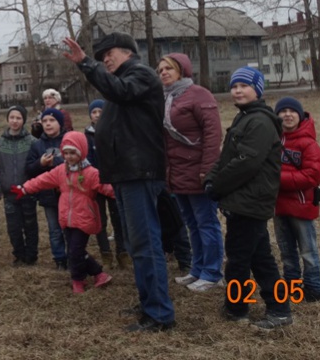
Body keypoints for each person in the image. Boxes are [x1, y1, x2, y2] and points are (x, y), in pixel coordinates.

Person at [63, 33, 176, 332]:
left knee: (146, 244)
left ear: (127, 51)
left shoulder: (139, 75)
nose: (104, 60)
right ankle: (149, 302)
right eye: (100, 57)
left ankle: (160, 314)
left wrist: (86, 64)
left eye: (108, 54)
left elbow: (117, 90)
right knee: (137, 244)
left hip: (139, 173)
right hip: (126, 174)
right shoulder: (122, 82)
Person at [204, 67, 293, 330]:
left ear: (258, 89)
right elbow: (226, 157)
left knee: (239, 260)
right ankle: (277, 308)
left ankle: (239, 309)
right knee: (259, 257)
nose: (238, 90)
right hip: (242, 201)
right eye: (234, 86)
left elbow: (246, 163)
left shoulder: (261, 122)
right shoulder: (245, 118)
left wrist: (217, 186)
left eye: (244, 85)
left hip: (250, 202)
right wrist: (210, 179)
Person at [11, 131, 114, 293]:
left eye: (73, 153)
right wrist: (25, 188)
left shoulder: (91, 173)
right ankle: (99, 273)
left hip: (84, 218)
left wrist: (121, 193)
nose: (68, 156)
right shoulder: (61, 170)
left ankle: (77, 280)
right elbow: (43, 180)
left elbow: (106, 186)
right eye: (65, 153)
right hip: (66, 217)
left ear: (81, 151)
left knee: (74, 251)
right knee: (75, 250)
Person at [157, 53, 224, 292]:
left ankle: (213, 272)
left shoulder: (199, 95)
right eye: (161, 69)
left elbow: (213, 134)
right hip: (177, 172)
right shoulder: (166, 98)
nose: (163, 72)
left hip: (197, 170)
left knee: (206, 222)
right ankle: (197, 268)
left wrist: (207, 169)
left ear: (182, 70)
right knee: (192, 223)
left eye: (169, 68)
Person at [273, 96, 320, 302]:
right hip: (278, 206)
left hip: (301, 205)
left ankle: (313, 288)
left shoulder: (308, 143)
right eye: (282, 111)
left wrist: (278, 179)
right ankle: (291, 286)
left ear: (300, 115)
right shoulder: (273, 141)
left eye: (292, 111)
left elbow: (313, 174)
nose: (287, 114)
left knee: (308, 251)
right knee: (286, 250)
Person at [0, 105, 40, 266]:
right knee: (14, 226)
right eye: (12, 117)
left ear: (23, 120)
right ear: (8, 119)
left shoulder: (32, 142)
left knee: (30, 224)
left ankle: (31, 254)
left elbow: (36, 166)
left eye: (18, 118)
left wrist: (35, 186)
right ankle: (19, 254)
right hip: (9, 193)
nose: (15, 121)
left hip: (27, 191)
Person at [86, 99, 128, 268]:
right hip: (96, 186)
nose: (97, 115)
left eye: (100, 112)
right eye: (94, 112)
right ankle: (105, 253)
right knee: (99, 221)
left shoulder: (116, 132)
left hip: (114, 184)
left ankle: (123, 252)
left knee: (118, 219)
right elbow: (87, 161)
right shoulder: (87, 137)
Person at [25, 108, 69, 270]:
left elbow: (76, 161)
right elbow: (29, 169)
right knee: (54, 229)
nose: (48, 124)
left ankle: (74, 256)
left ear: (60, 123)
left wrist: (56, 164)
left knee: (70, 227)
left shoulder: (68, 140)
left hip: (67, 193)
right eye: (45, 121)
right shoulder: (37, 145)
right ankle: (59, 259)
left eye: (52, 120)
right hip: (48, 196)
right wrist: (40, 164)